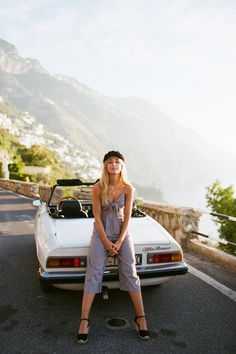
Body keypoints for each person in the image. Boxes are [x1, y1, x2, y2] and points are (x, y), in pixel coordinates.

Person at [77, 151, 149, 344]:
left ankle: (140, 318)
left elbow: (127, 219)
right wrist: (106, 242)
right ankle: (84, 320)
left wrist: (118, 241)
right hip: (101, 232)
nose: (114, 164)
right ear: (105, 166)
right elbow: (97, 217)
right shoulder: (98, 187)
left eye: (117, 162)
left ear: (122, 166)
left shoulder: (128, 188)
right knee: (93, 271)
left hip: (122, 233)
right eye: (110, 162)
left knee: (130, 271)